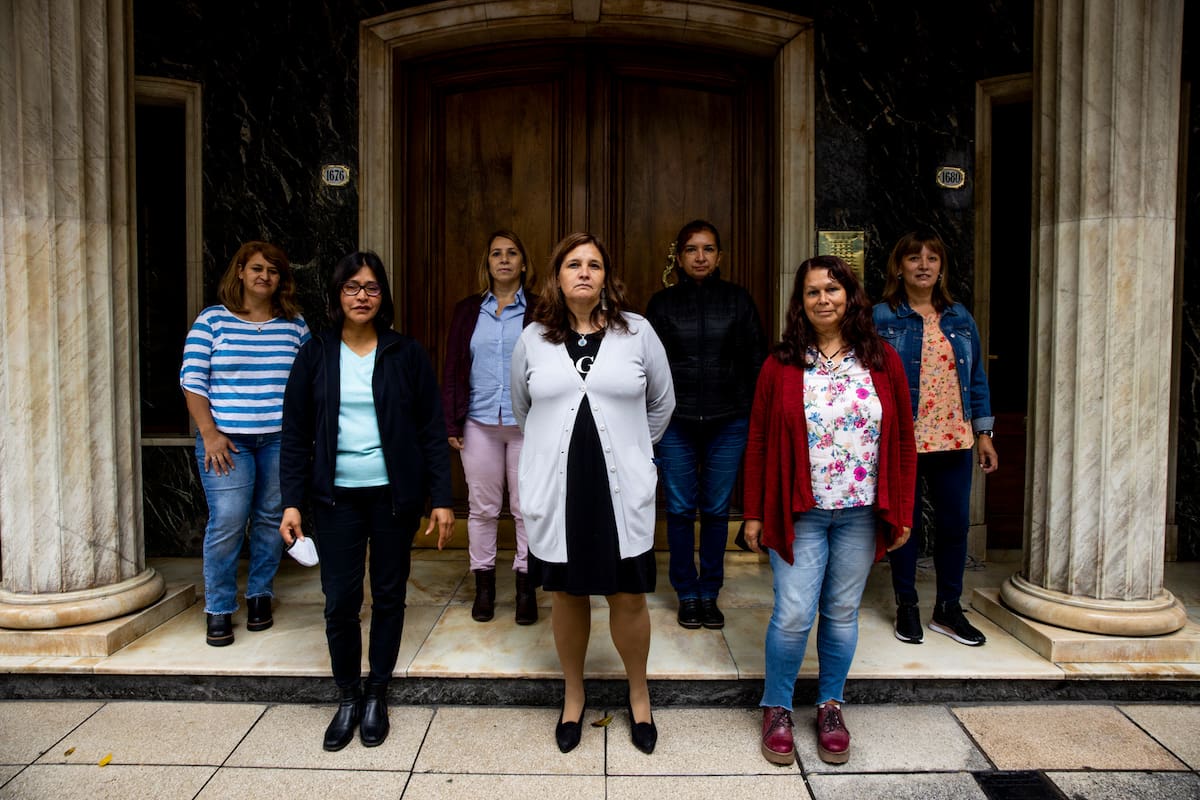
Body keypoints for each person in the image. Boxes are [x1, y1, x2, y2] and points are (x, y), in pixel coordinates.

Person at [743, 255, 915, 766]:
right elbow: (758, 441)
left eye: (833, 289)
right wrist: (754, 512)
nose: (823, 299)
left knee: (841, 612)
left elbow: (903, 440)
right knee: (794, 612)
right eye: (813, 291)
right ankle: (777, 706)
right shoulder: (780, 364)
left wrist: (903, 510)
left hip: (862, 511)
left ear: (850, 297)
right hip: (802, 511)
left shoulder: (882, 359)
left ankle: (830, 705)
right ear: (800, 302)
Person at [279, 251, 454, 752]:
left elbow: (430, 428)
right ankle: (348, 696)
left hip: (394, 496)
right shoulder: (315, 353)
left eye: (371, 287)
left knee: (390, 595)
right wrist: (291, 502)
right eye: (352, 287)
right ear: (337, 294)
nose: (362, 296)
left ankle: (377, 692)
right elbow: (295, 434)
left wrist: (441, 497)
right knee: (340, 599)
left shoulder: (405, 353)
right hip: (334, 498)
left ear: (383, 296)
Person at [511, 232, 675, 756]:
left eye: (594, 265)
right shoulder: (533, 338)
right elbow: (523, 408)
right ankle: (574, 695)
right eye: (573, 264)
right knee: (567, 592)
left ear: (606, 277)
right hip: (561, 488)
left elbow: (662, 402)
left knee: (628, 594)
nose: (584, 272)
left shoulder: (638, 332)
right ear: (557, 277)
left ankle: (639, 694)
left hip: (618, 488)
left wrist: (633, 448)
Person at [180, 241, 311, 648]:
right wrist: (209, 433)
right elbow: (192, 380)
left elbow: (310, 380)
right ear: (240, 272)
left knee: (272, 519)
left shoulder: (294, 325)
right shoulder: (212, 321)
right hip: (226, 442)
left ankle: (259, 596)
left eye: (273, 271)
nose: (264, 276)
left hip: (279, 440)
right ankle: (219, 607)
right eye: (256, 268)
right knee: (228, 521)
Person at [873, 229, 998, 647]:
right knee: (903, 525)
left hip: (954, 439)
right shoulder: (881, 318)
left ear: (942, 267)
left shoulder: (960, 318)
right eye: (914, 258)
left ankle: (948, 608)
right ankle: (906, 605)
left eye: (932, 258)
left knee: (954, 526)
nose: (923, 265)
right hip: (904, 441)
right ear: (899, 267)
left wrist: (984, 433)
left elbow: (976, 378)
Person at [646, 220, 766, 630]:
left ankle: (710, 592)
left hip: (727, 421)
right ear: (679, 257)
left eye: (708, 249)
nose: (700, 257)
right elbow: (647, 367)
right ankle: (687, 593)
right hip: (675, 422)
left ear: (719, 256)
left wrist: (750, 412)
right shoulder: (661, 305)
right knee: (680, 510)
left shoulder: (738, 300)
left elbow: (756, 361)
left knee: (716, 510)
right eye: (692, 249)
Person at [442, 230, 538, 625]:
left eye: (512, 253)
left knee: (526, 508)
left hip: (528, 424)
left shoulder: (541, 309)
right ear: (488, 262)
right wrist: (451, 420)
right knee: (482, 509)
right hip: (478, 422)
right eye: (496, 253)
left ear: (523, 263)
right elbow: (452, 368)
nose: (504, 260)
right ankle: (484, 587)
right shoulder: (468, 311)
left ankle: (526, 587)